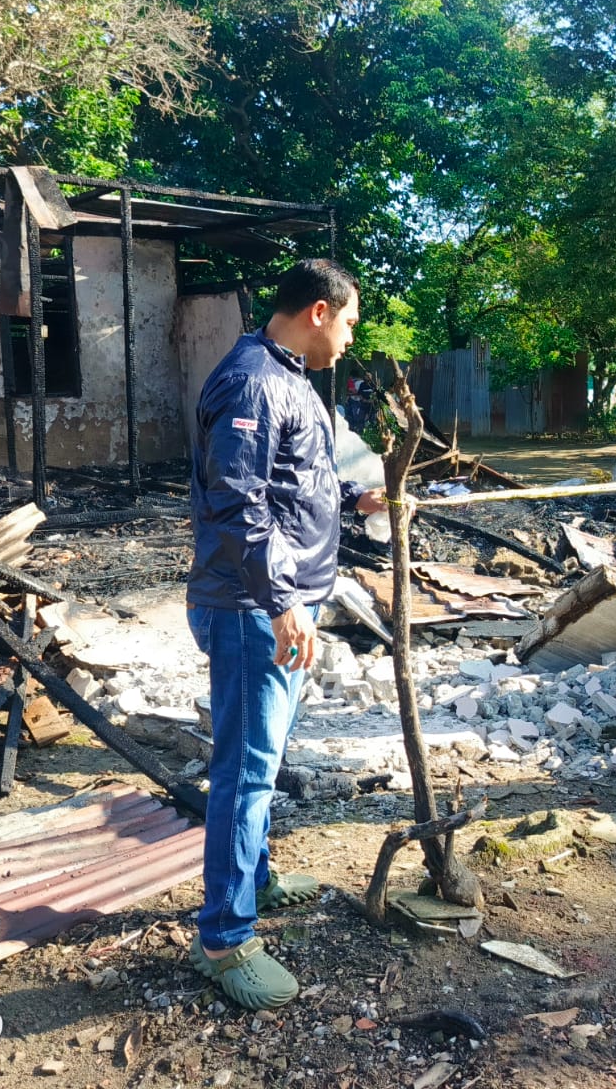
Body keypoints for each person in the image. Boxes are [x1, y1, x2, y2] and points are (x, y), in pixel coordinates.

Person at [187, 257, 384, 1008]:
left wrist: (360, 499)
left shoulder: (288, 377)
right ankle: (225, 942)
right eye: (353, 320)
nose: (353, 337)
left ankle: (257, 879)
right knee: (245, 772)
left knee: (261, 760)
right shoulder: (253, 382)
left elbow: (296, 482)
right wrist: (280, 601)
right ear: (319, 312)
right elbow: (239, 500)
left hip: (268, 601)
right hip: (248, 608)